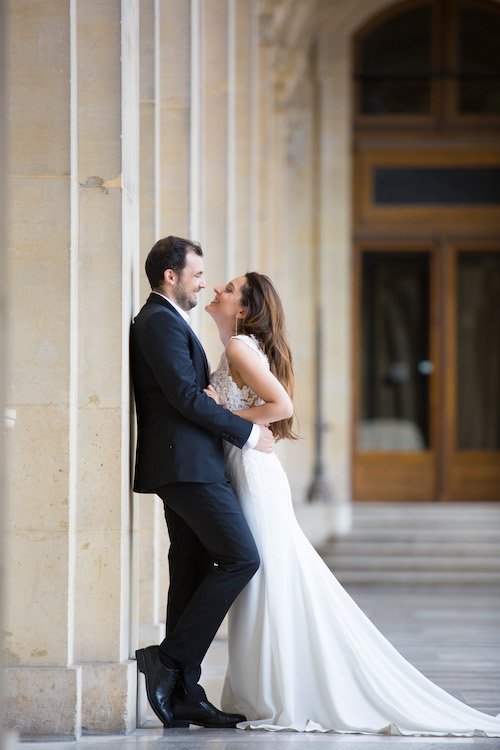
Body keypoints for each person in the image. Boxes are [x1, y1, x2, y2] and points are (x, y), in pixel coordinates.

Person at [204, 271, 500, 737]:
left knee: (267, 579)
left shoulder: (240, 347)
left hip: (254, 478)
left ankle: (274, 693)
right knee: (264, 580)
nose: (217, 289)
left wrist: (223, 415)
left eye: (228, 288)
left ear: (242, 309)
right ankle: (264, 689)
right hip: (247, 471)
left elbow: (280, 406)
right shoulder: (234, 349)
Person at [130, 237, 274, 729]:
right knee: (241, 558)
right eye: (196, 273)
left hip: (190, 463)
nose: (204, 282)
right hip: (186, 467)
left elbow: (190, 394)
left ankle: (186, 692)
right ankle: (168, 661)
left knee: (190, 567)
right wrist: (250, 433)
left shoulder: (168, 322)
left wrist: (207, 397)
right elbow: (186, 401)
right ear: (171, 276)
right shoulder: (156, 323)